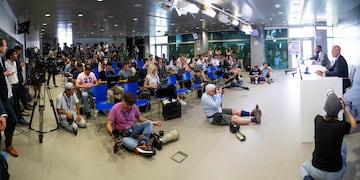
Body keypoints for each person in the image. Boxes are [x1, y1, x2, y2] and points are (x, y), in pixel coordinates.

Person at [300, 89, 357, 180]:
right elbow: (354, 124)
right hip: (335, 175)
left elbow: (326, 116)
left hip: (316, 170)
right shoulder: (341, 126)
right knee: (343, 146)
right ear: (339, 110)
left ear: (325, 108)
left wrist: (331, 101)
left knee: (303, 166)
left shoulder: (317, 120)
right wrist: (345, 109)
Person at [0, 38, 19, 157]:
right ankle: (8, 144)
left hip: (8, 93)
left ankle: (8, 142)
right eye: (5, 46)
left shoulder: (1, 59)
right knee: (13, 119)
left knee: (12, 119)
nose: (6, 48)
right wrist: (4, 74)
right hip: (2, 98)